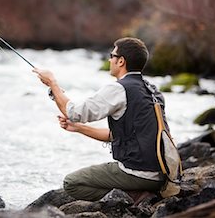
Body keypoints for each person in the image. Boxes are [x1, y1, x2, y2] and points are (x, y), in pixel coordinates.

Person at [33, 37, 168, 201]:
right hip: (160, 173)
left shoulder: (119, 89)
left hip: (137, 173)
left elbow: (74, 112)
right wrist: (78, 128)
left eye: (112, 55)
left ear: (121, 62)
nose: (110, 59)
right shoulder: (152, 90)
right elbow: (122, 135)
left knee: (72, 183)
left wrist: (52, 84)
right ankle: (141, 193)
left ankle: (134, 197)